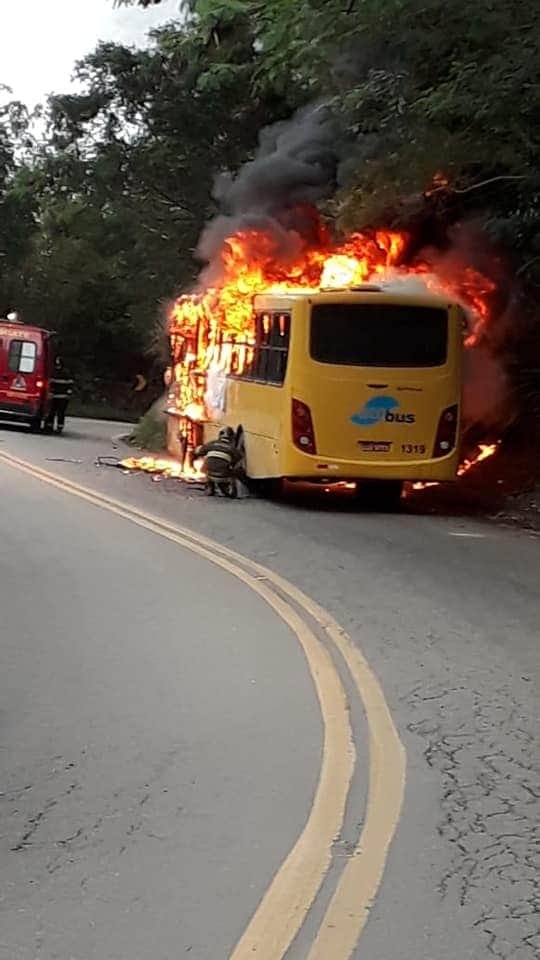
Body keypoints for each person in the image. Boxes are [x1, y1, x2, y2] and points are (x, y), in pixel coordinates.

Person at [194, 426, 242, 497]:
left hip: (209, 471)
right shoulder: (232, 448)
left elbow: (199, 452)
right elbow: (239, 457)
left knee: (208, 464)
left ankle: (210, 486)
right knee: (238, 470)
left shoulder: (212, 443)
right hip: (223, 474)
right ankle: (231, 489)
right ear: (231, 437)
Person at [45, 357, 74, 434]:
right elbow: (50, 383)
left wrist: (68, 393)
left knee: (58, 413)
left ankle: (57, 427)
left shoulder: (64, 373)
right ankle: (51, 427)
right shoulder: (54, 372)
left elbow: (70, 385)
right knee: (53, 412)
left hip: (61, 397)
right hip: (57, 396)